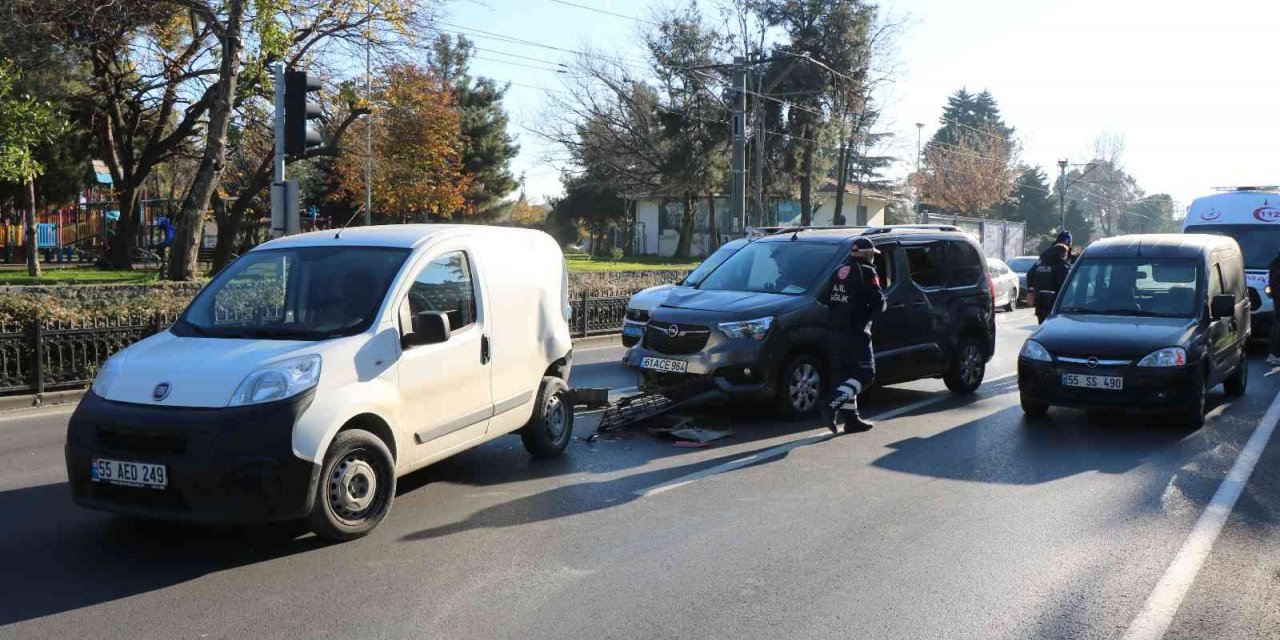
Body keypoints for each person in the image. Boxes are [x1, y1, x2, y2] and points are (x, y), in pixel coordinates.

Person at [820, 237, 886, 434]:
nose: (873, 258)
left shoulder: (838, 271)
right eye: (872, 254)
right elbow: (878, 303)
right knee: (866, 374)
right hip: (856, 332)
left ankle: (852, 419)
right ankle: (831, 404)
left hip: (834, 331)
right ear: (866, 254)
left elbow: (825, 298)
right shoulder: (866, 270)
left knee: (848, 376)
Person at [1029, 242, 1071, 324]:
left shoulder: (1041, 265)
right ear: (1063, 254)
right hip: (1054, 303)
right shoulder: (1062, 267)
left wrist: (1030, 291)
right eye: (1066, 254)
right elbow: (1064, 287)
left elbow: (1030, 274)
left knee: (1042, 325)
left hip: (1040, 301)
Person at [1269, 250, 1280, 366]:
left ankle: (1274, 353)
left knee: (1276, 325)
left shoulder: (1275, 262)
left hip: (1277, 299)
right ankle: (1275, 354)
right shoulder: (1277, 264)